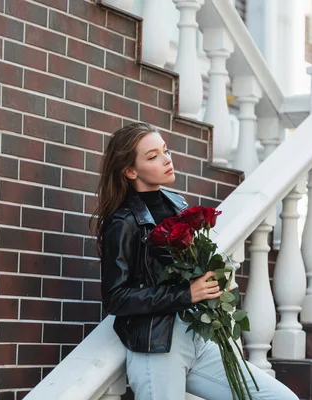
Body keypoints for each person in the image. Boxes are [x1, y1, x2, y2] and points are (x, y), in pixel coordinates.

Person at [93, 122, 298, 399]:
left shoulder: (177, 204)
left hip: (197, 338)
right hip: (158, 348)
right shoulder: (123, 222)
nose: (167, 159)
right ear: (130, 171)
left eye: (165, 151)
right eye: (153, 156)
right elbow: (116, 298)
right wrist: (186, 294)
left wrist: (215, 279)